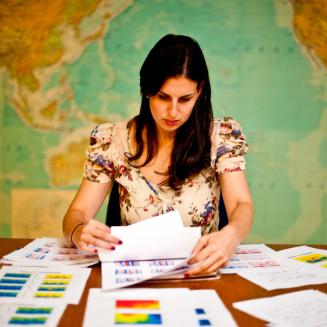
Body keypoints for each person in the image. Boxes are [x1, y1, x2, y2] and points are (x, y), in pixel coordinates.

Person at [63, 34, 253, 277]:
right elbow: (75, 214)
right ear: (147, 90)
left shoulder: (220, 137)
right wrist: (78, 231)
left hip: (200, 276)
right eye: (163, 97)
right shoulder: (111, 141)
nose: (173, 111)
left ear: (200, 91)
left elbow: (241, 204)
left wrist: (232, 234)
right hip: (136, 280)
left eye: (185, 99)